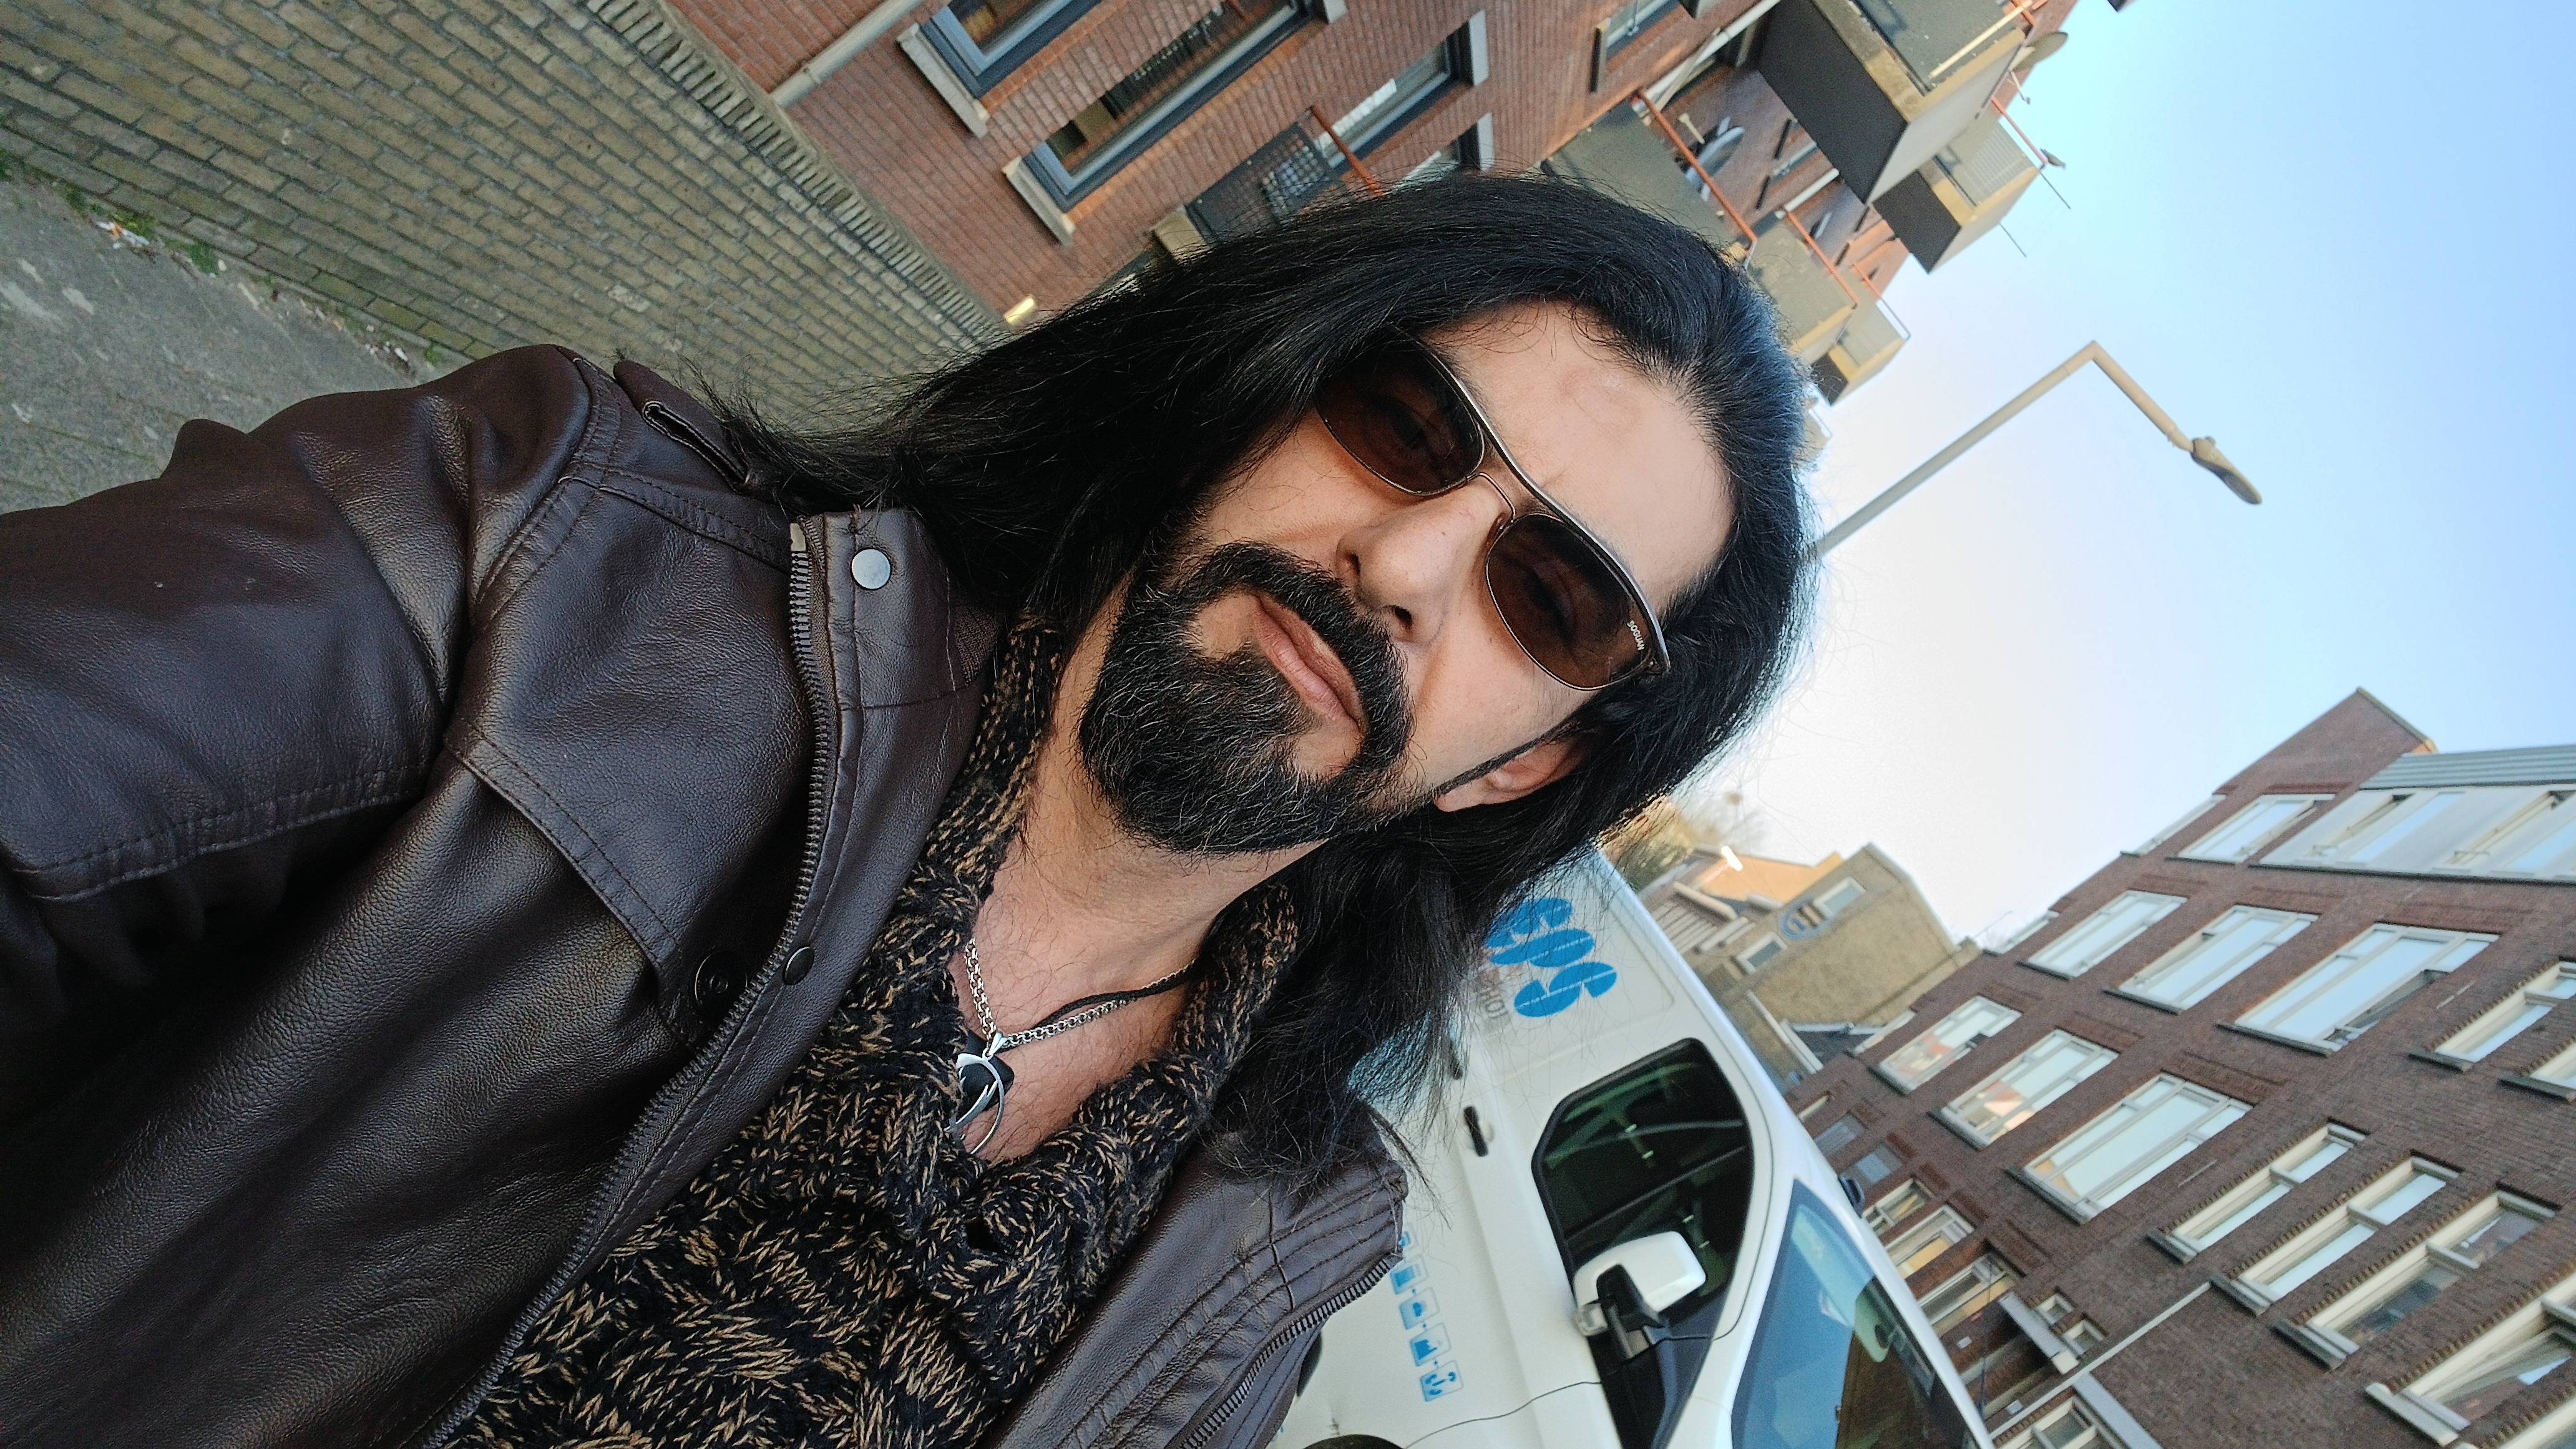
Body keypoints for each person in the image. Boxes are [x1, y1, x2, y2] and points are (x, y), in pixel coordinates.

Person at [0, 173, 1809, 1449]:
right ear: (1254, 399)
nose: (1404, 565)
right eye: (1406, 423)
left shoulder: (1262, 1257)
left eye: (1548, 595)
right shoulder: (559, 578)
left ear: (1526, 763)